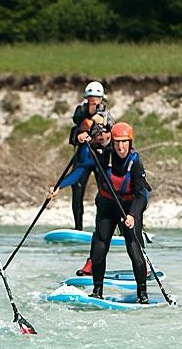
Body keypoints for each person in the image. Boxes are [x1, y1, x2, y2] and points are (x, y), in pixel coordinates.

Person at [50, 122, 150, 302]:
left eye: (125, 142)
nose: (121, 146)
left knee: (133, 248)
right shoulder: (104, 157)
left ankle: (142, 295)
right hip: (107, 206)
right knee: (99, 245)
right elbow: (80, 170)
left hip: (128, 208)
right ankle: (97, 291)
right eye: (117, 141)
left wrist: (133, 215)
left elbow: (142, 194)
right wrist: (59, 186)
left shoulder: (135, 162)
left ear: (130, 142)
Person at [67, 111, 113, 276]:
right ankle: (91, 264)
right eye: (97, 135)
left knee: (131, 236)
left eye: (104, 134)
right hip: (106, 201)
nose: (101, 137)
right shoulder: (83, 120)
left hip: (125, 200)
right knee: (100, 234)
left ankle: (143, 263)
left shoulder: (119, 148)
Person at [68, 81, 110, 248]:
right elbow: (77, 119)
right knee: (77, 190)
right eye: (91, 100)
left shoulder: (106, 113)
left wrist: (98, 117)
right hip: (83, 157)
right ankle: (78, 226)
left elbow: (108, 125)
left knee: (106, 191)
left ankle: (107, 226)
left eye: (96, 100)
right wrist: (89, 112)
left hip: (99, 157)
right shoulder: (81, 110)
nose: (94, 103)